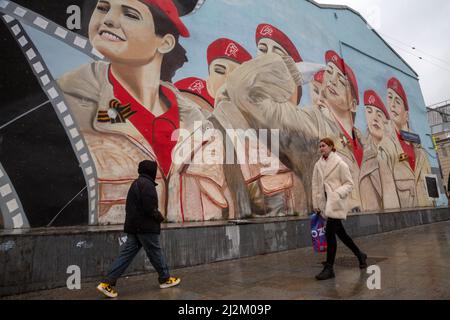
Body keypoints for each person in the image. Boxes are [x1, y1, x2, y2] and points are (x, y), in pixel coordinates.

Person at [58, 0, 232, 224]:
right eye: (102, 7)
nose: (108, 19)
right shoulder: (66, 104)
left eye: (130, 14)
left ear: (165, 42)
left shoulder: (202, 128)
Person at [97, 160, 180, 298]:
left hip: (135, 228)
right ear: (151, 171)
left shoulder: (136, 183)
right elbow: (150, 208)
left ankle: (107, 282)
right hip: (145, 228)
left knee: (126, 255)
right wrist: (160, 217)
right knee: (155, 252)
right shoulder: (147, 186)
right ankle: (165, 279)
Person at [312, 138, 367, 280]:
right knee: (341, 234)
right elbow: (315, 186)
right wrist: (316, 203)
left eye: (323, 146)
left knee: (330, 235)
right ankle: (360, 254)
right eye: (320, 146)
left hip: (335, 204)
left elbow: (349, 184)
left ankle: (329, 268)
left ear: (331, 146)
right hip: (325, 205)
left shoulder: (340, 163)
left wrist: (337, 194)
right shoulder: (318, 165)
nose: (321, 148)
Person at [386, 77, 433, 208]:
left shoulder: (421, 151)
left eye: (397, 101)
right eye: (389, 98)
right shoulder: (385, 146)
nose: (392, 105)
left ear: (406, 115)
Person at [359, 90, 400, 211]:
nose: (374, 118)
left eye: (379, 114)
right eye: (369, 111)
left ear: (386, 121)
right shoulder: (365, 155)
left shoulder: (395, 150)